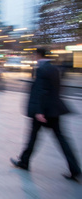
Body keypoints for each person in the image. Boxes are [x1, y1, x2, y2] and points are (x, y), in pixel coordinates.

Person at [10, 48, 81, 182]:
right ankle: (75, 168)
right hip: (54, 110)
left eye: (34, 55)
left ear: (38, 55)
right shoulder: (55, 69)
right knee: (61, 140)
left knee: (33, 137)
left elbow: (41, 91)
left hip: (43, 112)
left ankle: (24, 162)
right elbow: (56, 89)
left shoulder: (41, 69)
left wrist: (39, 111)